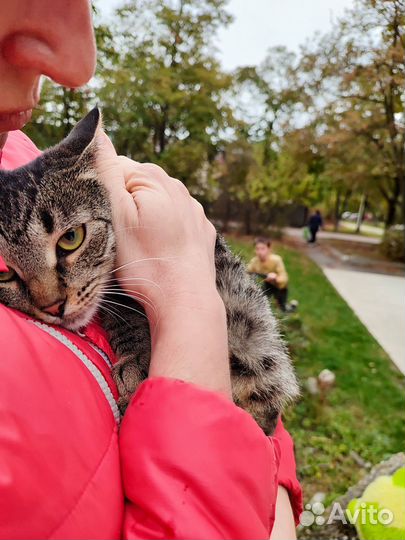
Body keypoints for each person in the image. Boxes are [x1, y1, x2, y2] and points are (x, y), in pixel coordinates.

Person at [0, 2, 302, 539]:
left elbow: (270, 424)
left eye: (69, 240)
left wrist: (273, 467)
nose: (50, 299)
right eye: (8, 274)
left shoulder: (17, 148)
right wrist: (185, 297)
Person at [247, 237, 293, 312]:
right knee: (261, 303)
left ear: (269, 249)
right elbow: (247, 271)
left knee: (282, 308)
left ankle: (291, 307)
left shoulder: (276, 260)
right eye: (257, 249)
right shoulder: (254, 262)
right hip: (267, 285)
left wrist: (275, 277)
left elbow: (284, 278)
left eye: (263, 249)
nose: (259, 252)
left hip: (279, 287)